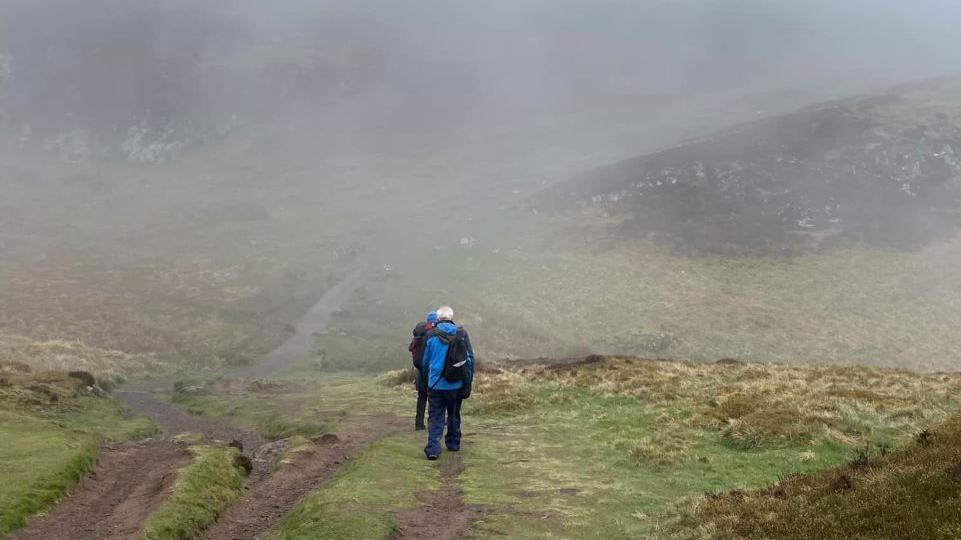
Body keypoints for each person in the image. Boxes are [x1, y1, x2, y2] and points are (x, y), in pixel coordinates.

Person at [421, 305, 474, 460]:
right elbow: (469, 359)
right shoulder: (461, 333)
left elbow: (425, 361)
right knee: (454, 414)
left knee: (435, 415)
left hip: (435, 385)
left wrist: (427, 379)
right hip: (456, 384)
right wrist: (468, 381)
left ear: (438, 319)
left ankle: (433, 448)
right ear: (451, 317)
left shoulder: (430, 335)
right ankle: (453, 444)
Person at [408, 310, 438, 430]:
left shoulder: (418, 335)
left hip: (420, 372)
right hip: (430, 371)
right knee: (433, 398)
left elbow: (411, 349)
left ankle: (419, 424)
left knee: (421, 397)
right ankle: (432, 422)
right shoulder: (432, 335)